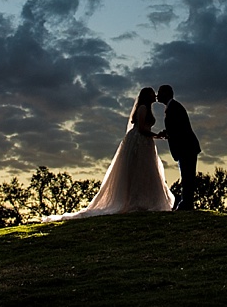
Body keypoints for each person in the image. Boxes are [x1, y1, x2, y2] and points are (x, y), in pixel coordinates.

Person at [42, 87, 174, 221]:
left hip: (146, 143)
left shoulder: (147, 109)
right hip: (139, 142)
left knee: (146, 171)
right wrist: (156, 135)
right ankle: (137, 201)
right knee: (138, 170)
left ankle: (145, 200)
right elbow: (140, 129)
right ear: (147, 96)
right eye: (152, 93)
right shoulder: (142, 109)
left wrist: (155, 136)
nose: (155, 95)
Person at [155, 84, 201, 211]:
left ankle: (186, 203)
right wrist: (166, 133)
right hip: (186, 147)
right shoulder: (172, 107)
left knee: (187, 176)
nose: (157, 95)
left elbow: (179, 129)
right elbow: (175, 127)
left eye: (159, 92)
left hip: (187, 147)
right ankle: (186, 202)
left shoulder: (174, 107)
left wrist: (167, 134)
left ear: (166, 93)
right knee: (186, 175)